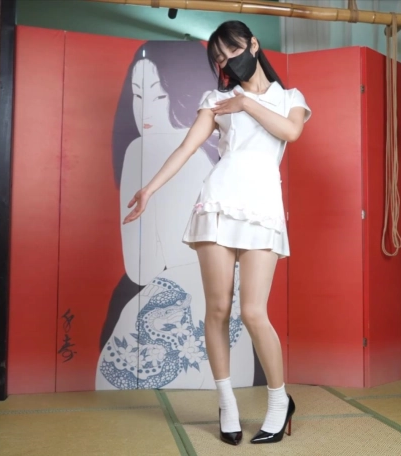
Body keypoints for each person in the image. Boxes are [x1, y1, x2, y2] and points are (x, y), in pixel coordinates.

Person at [123, 20, 311, 445]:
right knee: (218, 310)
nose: (228, 63)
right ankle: (226, 403)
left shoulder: (291, 99)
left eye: (232, 52)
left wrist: (246, 104)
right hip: (216, 207)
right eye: (220, 59)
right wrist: (149, 190)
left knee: (254, 312)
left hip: (261, 212)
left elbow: (291, 132)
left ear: (254, 45)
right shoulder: (216, 100)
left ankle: (279, 403)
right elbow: (186, 148)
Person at [97, 40, 257, 391]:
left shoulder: (142, 150)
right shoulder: (219, 151)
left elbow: (141, 268)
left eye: (158, 95)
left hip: (171, 302)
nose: (146, 110)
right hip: (229, 297)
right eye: (138, 95)